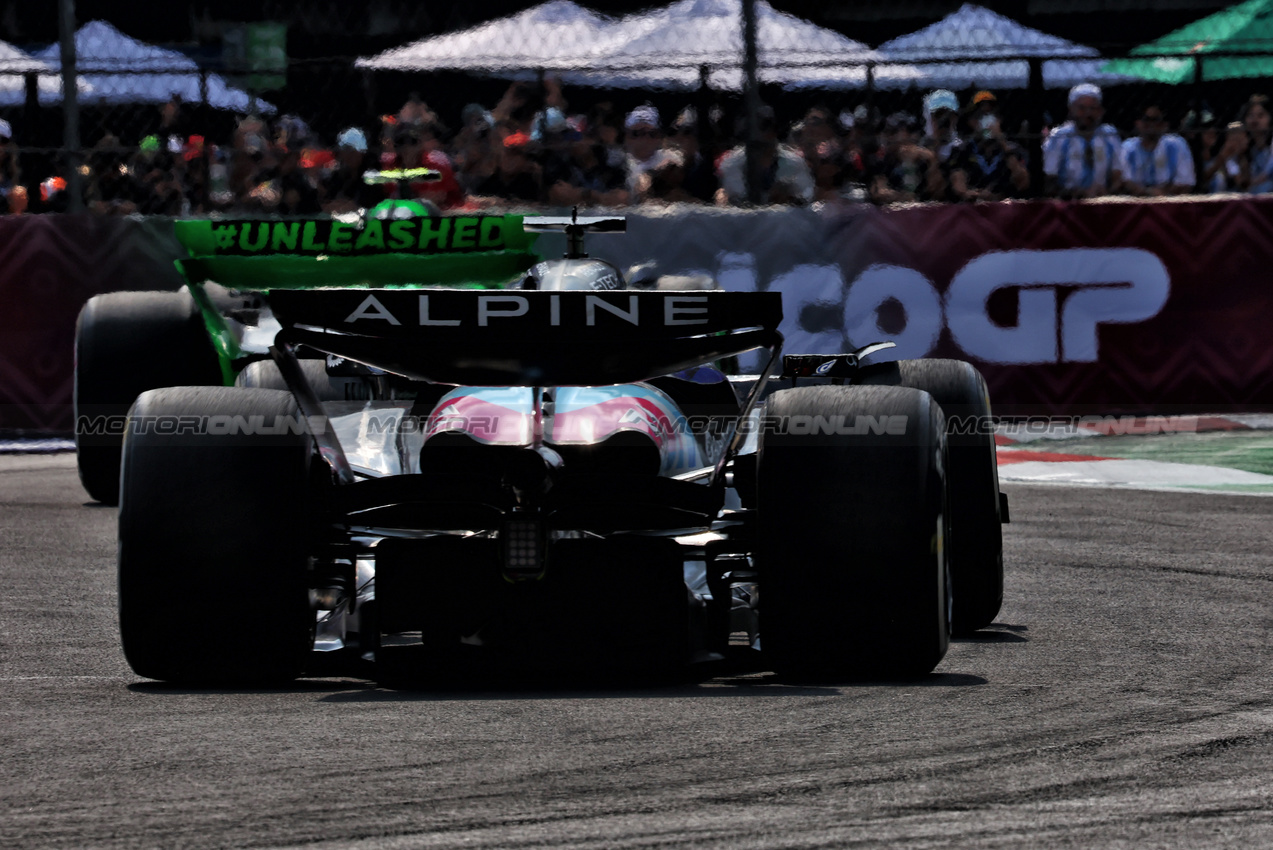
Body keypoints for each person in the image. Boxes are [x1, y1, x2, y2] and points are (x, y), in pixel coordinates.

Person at [715, 105, 815, 206]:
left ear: (774, 130)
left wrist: (789, 195)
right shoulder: (732, 162)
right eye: (753, 128)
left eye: (764, 127)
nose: (759, 135)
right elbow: (736, 195)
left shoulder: (795, 162)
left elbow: (807, 195)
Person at [1042, 83, 1125, 199]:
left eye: (1093, 108)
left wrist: (1109, 191)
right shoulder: (1059, 136)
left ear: (1100, 111)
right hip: (1068, 201)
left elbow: (1118, 173)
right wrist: (1076, 193)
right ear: (1071, 109)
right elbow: (1049, 178)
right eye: (1082, 108)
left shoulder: (1109, 135)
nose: (1088, 113)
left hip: (1103, 200)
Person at [946, 98, 1030, 202]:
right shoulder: (962, 149)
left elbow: (1023, 183)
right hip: (972, 208)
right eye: (980, 116)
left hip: (1006, 208)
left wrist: (1002, 141)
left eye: (990, 115)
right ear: (971, 121)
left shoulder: (1013, 149)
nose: (986, 122)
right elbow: (957, 180)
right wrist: (969, 193)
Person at [869, 112, 945, 204]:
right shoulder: (884, 159)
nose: (890, 138)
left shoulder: (925, 157)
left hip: (925, 208)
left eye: (894, 132)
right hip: (895, 209)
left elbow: (937, 192)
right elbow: (879, 192)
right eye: (890, 132)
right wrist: (903, 197)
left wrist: (932, 161)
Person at [1121, 106, 1195, 196]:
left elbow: (1185, 182)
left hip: (1170, 202)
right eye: (1146, 119)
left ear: (1164, 124)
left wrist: (1162, 195)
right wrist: (1148, 192)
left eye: (1156, 120)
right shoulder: (1128, 147)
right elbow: (1124, 180)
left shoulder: (1176, 144)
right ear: (1138, 123)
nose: (1151, 124)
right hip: (1136, 201)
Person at [471, 132, 541, 205]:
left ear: (526, 161)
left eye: (515, 154)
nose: (508, 158)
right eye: (506, 152)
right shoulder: (486, 183)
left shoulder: (531, 184)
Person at [623, 104, 674, 197]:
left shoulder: (670, 158)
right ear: (626, 137)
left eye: (652, 134)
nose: (645, 139)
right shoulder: (618, 161)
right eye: (637, 133)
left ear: (659, 138)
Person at [1239, 94, 1273, 193]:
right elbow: (1242, 181)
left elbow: (1268, 174)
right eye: (1251, 115)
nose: (1255, 120)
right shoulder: (1244, 143)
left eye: (1260, 115)